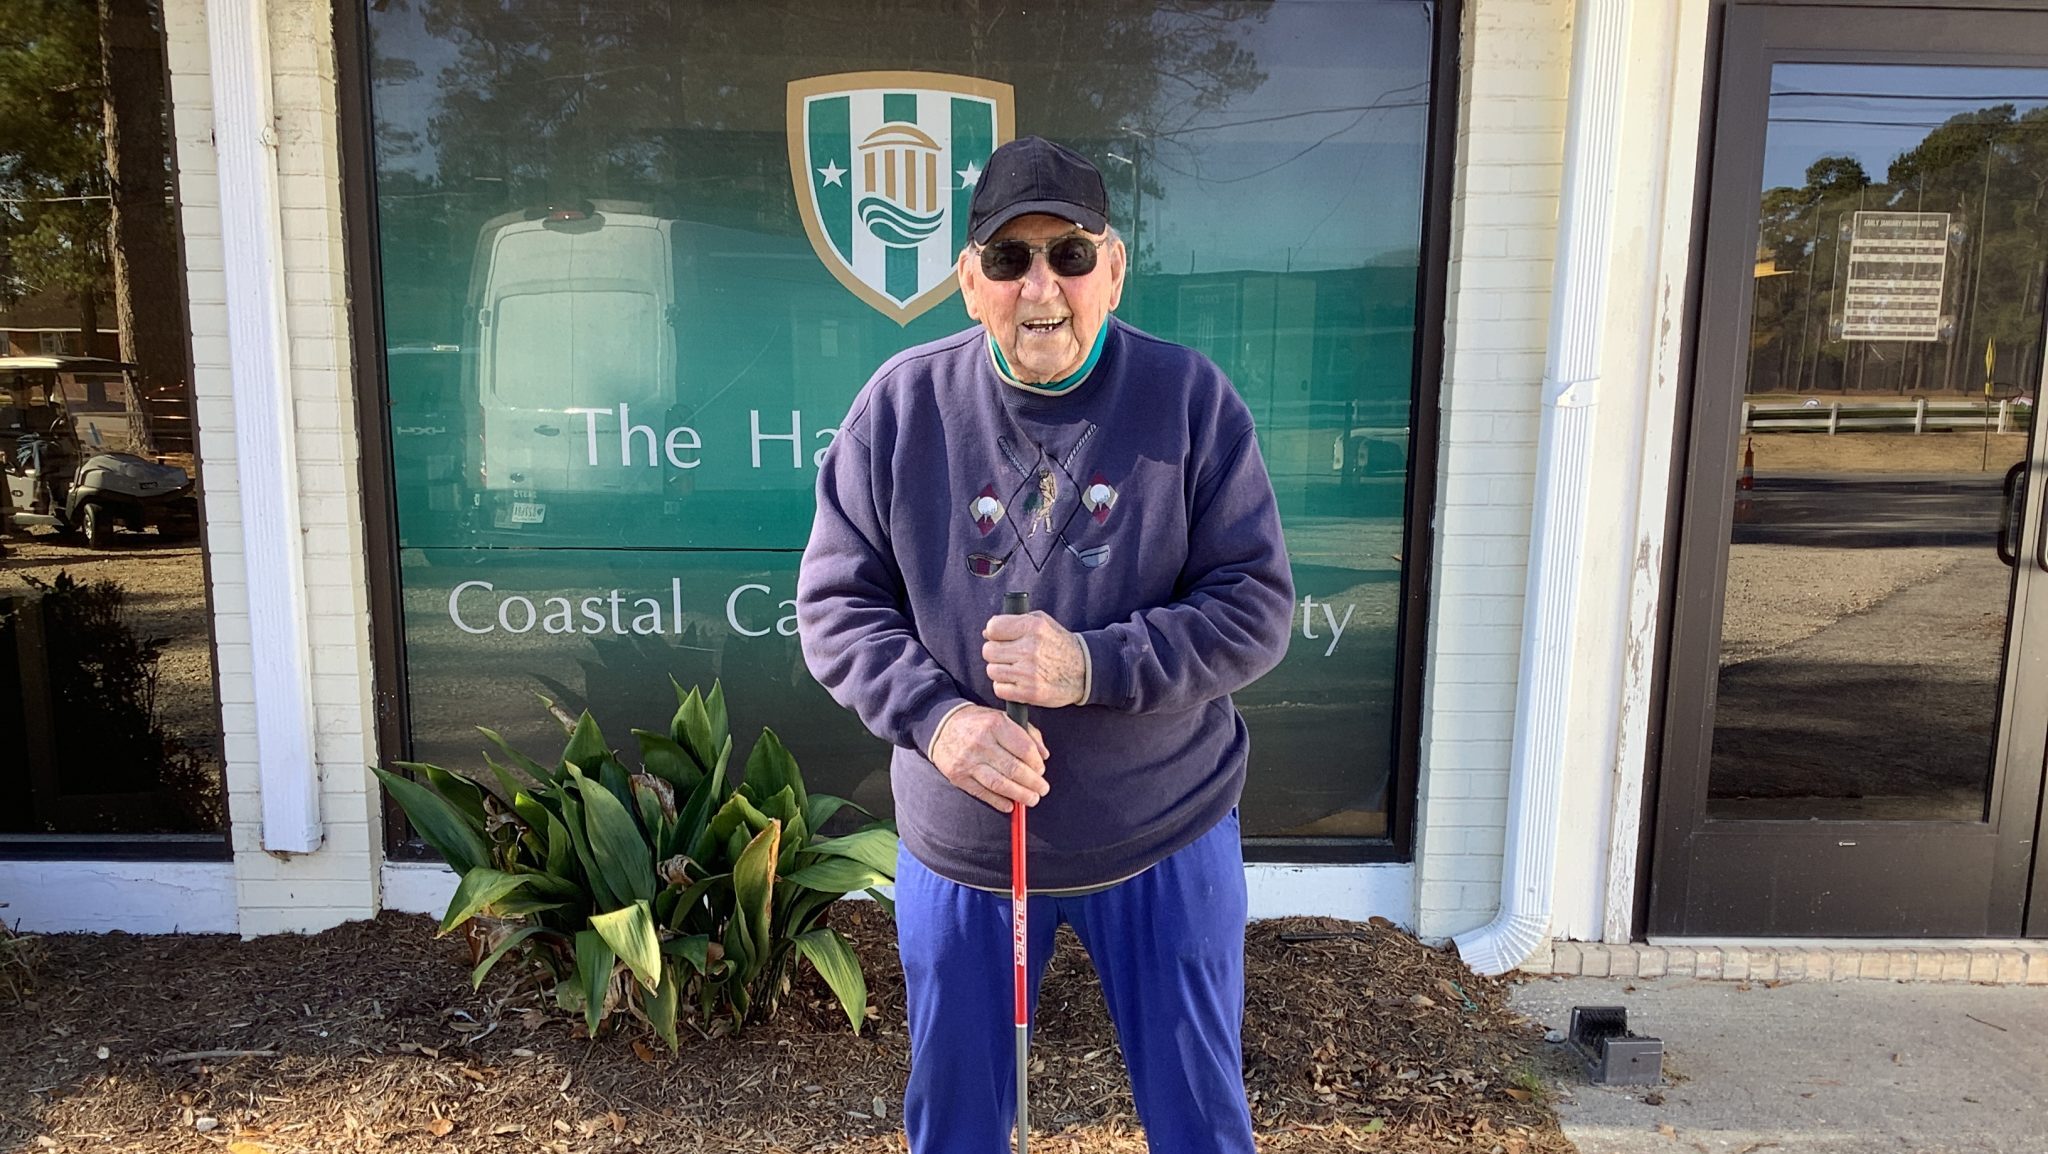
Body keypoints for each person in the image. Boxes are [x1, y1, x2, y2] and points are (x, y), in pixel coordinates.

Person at [796, 135, 1294, 1154]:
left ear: (1111, 268)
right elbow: (837, 606)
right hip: (968, 846)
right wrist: (939, 722)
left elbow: (1254, 607)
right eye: (1010, 259)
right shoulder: (899, 407)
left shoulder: (1188, 400)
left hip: (1162, 830)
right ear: (968, 279)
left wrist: (1093, 664)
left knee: (1200, 1120)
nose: (1041, 288)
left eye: (1068, 255)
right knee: (959, 1125)